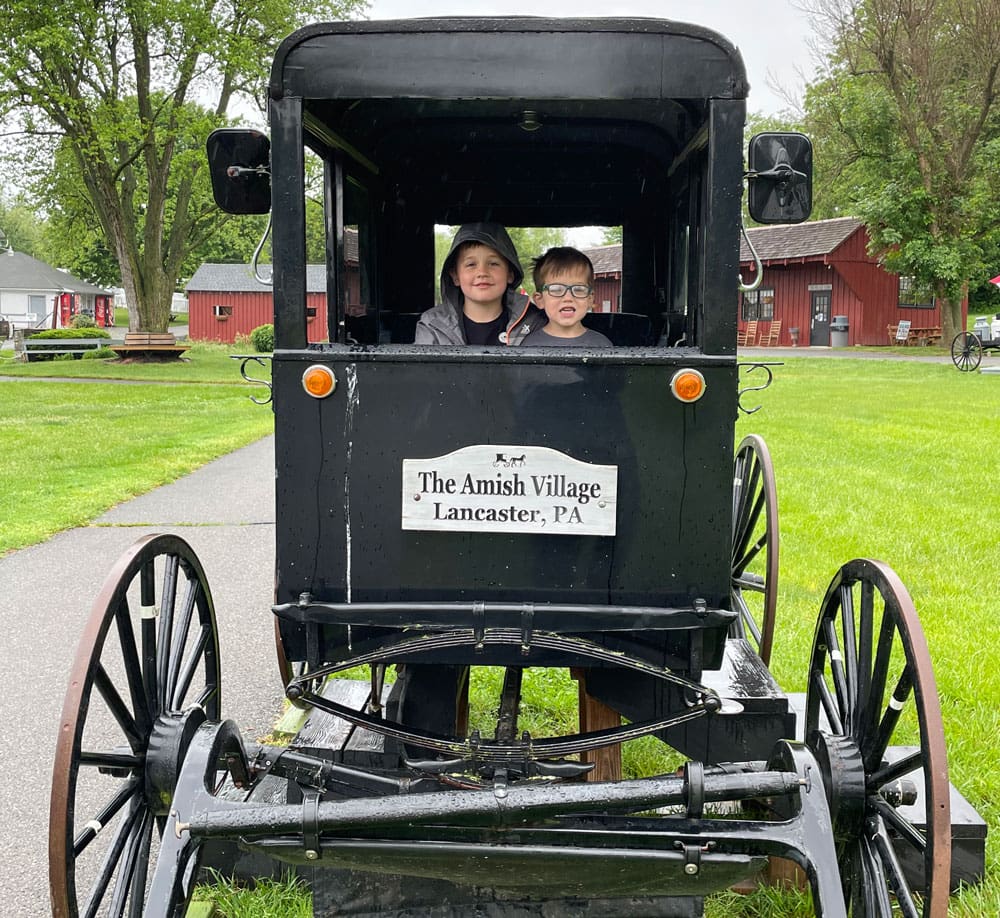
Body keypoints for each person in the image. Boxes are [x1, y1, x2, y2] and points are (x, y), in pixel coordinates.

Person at [414, 223, 542, 345]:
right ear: (455, 276)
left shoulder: (534, 321)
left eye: (493, 264)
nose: (482, 272)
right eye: (471, 265)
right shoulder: (433, 324)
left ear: (510, 274)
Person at [521, 247, 612, 347]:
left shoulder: (602, 345)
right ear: (540, 300)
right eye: (556, 290)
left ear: (590, 299)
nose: (568, 298)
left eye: (578, 289)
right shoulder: (530, 345)